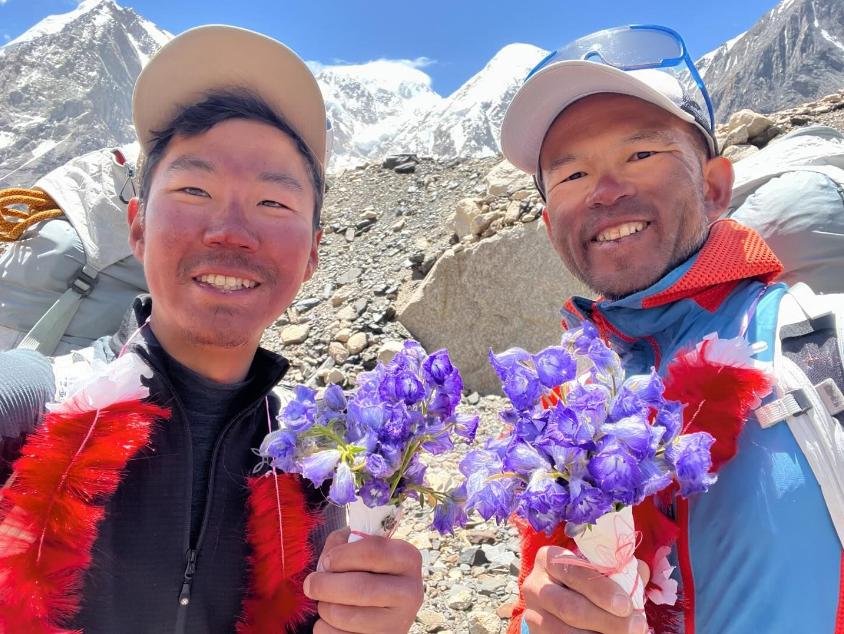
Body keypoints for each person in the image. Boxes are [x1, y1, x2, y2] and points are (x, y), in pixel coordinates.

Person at [0, 26, 423, 634]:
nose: (231, 231)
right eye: (193, 190)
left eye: (274, 203)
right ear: (137, 227)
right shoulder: (30, 405)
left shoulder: (319, 480)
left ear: (312, 254)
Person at [497, 25, 844, 634]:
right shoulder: (564, 407)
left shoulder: (819, 345)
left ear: (714, 187)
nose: (605, 192)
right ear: (552, 223)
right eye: (572, 175)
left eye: (640, 155)